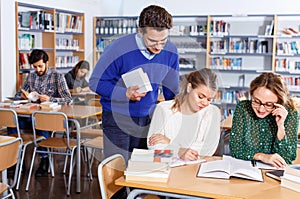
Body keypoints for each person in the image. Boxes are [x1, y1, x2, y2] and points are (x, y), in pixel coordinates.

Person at [89, 5, 180, 163]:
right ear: (140, 30)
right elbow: (95, 82)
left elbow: (172, 91)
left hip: (149, 119)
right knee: (117, 171)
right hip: (117, 118)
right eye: (152, 41)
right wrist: (123, 93)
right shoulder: (117, 48)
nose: (158, 47)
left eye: (163, 41)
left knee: (144, 168)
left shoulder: (171, 51)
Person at [10, 49, 72, 176]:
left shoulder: (57, 76)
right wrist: (21, 96)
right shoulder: (31, 77)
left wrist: (51, 99)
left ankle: (44, 160)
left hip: (48, 118)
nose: (37, 69)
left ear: (47, 63)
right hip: (31, 115)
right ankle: (14, 160)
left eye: (40, 66)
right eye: (35, 67)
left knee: (41, 123)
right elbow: (19, 93)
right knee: (13, 122)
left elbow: (69, 99)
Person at [147, 68, 221, 161]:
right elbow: (154, 150)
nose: (205, 103)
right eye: (200, 97)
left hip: (196, 169)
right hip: (168, 169)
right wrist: (180, 152)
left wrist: (172, 144)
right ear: (189, 88)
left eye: (209, 99)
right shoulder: (163, 109)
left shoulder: (213, 112)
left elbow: (208, 150)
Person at [229, 72, 299, 168]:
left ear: (279, 102)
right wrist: (262, 156)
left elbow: (288, 158)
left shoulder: (290, 113)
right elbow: (235, 149)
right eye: (256, 101)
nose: (261, 109)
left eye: (269, 104)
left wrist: (281, 126)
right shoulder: (243, 108)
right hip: (247, 171)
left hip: (274, 174)